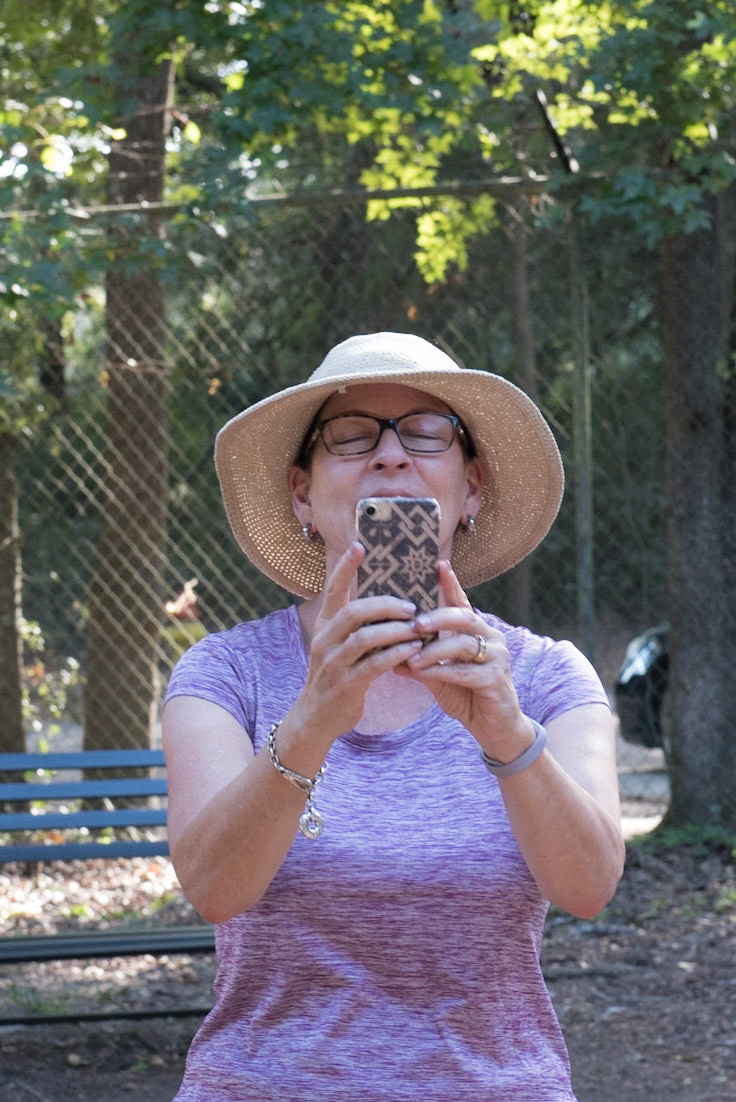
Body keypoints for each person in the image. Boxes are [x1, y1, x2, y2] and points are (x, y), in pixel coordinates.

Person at [163, 332, 625, 1102]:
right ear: (302, 493)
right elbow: (212, 888)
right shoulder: (224, 674)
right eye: (350, 436)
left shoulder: (547, 676)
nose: (389, 455)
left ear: (471, 486)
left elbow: (589, 886)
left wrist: (507, 736)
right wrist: (310, 721)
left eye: (426, 432)